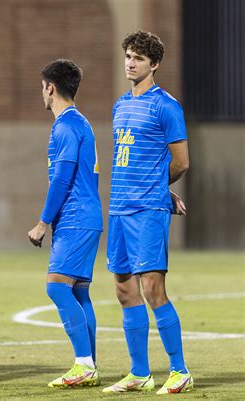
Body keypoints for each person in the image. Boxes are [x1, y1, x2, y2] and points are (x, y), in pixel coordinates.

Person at [102, 31, 193, 395]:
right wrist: (159, 184)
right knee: (125, 290)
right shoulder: (120, 104)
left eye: (138, 58)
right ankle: (139, 372)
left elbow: (182, 162)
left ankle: (180, 370)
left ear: (154, 64)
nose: (130, 62)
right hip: (120, 208)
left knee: (153, 289)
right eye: (127, 55)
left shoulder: (166, 106)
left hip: (146, 210)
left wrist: (158, 189)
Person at [28, 59, 103, 389]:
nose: (41, 93)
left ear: (50, 87)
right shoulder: (80, 122)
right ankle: (89, 363)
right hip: (85, 217)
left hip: (75, 217)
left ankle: (84, 364)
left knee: (57, 286)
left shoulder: (65, 126)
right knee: (79, 293)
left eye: (41, 87)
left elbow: (61, 178)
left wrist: (43, 222)